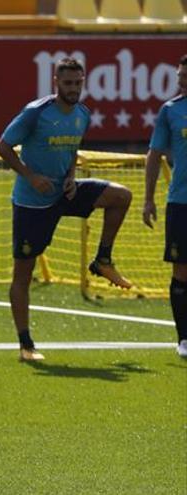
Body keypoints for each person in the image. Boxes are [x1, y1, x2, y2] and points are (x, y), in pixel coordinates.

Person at [0, 57, 133, 362]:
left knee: (121, 197)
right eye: (67, 83)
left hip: (64, 192)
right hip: (32, 202)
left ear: (83, 82)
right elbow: (3, 147)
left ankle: (103, 259)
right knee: (23, 275)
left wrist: (71, 177)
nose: (73, 89)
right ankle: (25, 344)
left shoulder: (82, 114)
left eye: (77, 83)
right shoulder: (36, 113)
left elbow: (72, 150)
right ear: (56, 84)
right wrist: (30, 176)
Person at [144, 54, 187, 358]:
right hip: (181, 202)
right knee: (181, 271)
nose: (181, 81)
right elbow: (154, 154)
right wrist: (148, 199)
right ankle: (184, 338)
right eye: (180, 76)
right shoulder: (170, 111)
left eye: (186, 76)